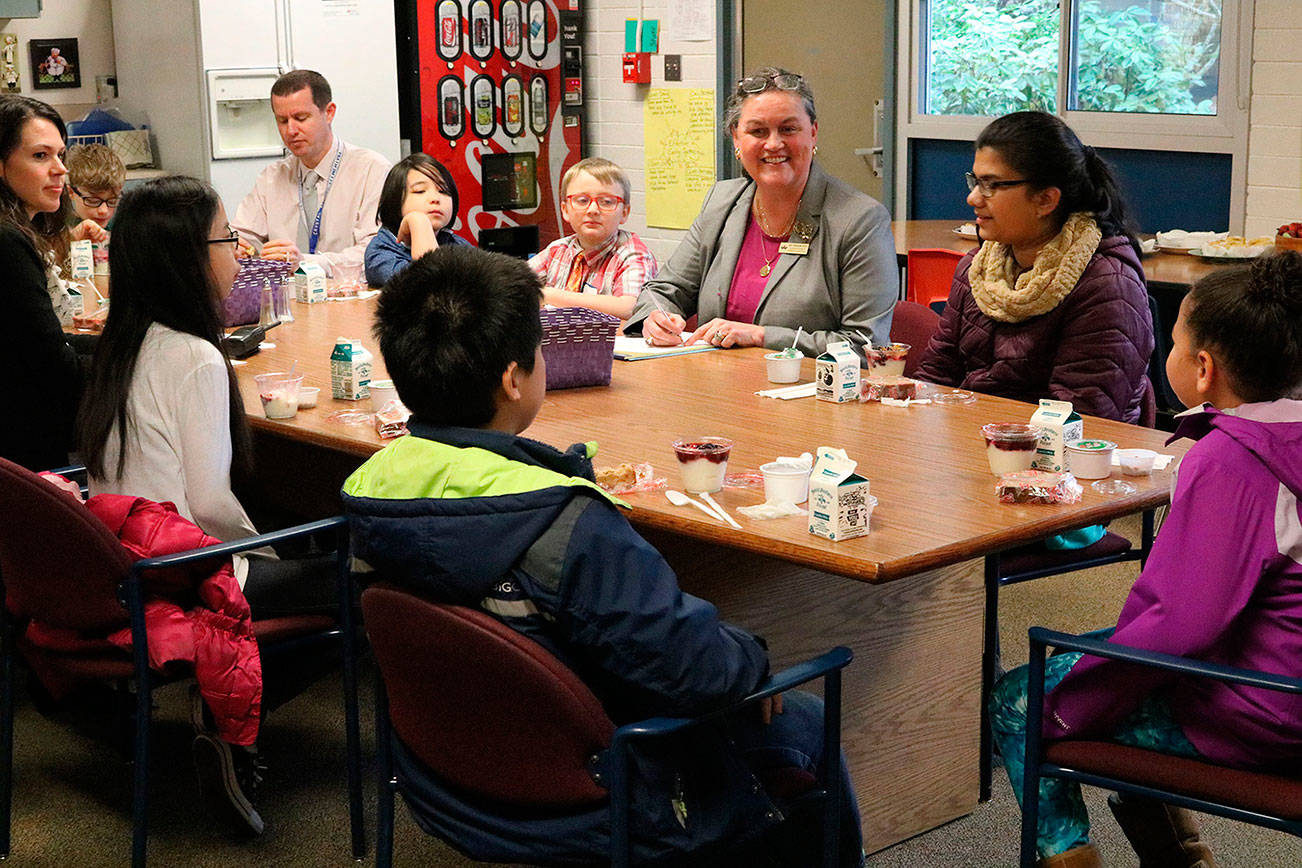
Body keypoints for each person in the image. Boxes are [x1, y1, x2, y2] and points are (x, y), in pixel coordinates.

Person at [341, 245, 865, 867]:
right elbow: (697, 674)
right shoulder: (566, 526)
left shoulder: (369, 487)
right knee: (803, 719)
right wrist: (750, 656)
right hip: (605, 790)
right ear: (515, 378)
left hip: (446, 773)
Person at [989, 250, 1302, 868]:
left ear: (1204, 368)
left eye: (1176, 342)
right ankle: (1181, 857)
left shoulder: (1234, 463)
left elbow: (1179, 626)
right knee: (1093, 661)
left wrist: (1080, 703)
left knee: (1022, 700)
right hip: (1278, 667)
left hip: (1269, 707)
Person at [78, 175, 338, 837]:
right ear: (190, 258)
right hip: (190, 567)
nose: (239, 255)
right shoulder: (194, 356)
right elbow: (210, 505)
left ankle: (220, 705)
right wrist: (271, 552)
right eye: (228, 239)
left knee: (298, 542)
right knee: (362, 585)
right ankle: (225, 717)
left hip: (128, 556)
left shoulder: (124, 341)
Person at [624, 67, 897, 358]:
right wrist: (656, 318)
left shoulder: (859, 220)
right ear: (736, 138)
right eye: (757, 131)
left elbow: (866, 346)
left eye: (788, 129)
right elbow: (662, 290)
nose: (773, 144)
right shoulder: (722, 202)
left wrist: (761, 336)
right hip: (711, 389)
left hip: (809, 395)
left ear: (813, 132)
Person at [915, 111, 1154, 424]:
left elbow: (1079, 422)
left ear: (1045, 200)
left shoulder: (1107, 285)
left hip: (1060, 463)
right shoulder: (976, 269)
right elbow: (934, 379)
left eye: (991, 185)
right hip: (974, 445)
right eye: (975, 181)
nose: (973, 197)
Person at [0, 94, 103, 471]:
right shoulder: (7, 243)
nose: (61, 170)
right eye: (41, 156)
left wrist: (124, 342)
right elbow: (56, 369)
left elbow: (48, 339)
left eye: (61, 155)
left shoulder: (17, 234)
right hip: (26, 463)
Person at [232, 69, 390, 276]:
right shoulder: (272, 177)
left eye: (301, 118)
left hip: (347, 297)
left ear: (329, 112)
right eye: (282, 120)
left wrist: (305, 263)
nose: (291, 130)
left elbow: (374, 255)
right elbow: (241, 235)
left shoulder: (371, 170)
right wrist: (234, 247)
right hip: (288, 301)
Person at [528, 156, 658, 319]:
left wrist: (548, 295)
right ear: (565, 210)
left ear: (624, 213)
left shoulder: (633, 255)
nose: (593, 210)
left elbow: (629, 307)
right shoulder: (557, 250)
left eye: (606, 202)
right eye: (582, 200)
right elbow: (513, 283)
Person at [363, 152, 469, 286]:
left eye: (443, 191)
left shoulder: (457, 244)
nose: (435, 199)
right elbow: (431, 286)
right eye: (420, 191)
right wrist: (419, 223)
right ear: (395, 200)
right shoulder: (380, 253)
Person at [66, 142, 125, 231]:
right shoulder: (57, 231)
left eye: (113, 201)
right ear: (70, 192)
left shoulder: (120, 226)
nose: (104, 211)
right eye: (93, 201)